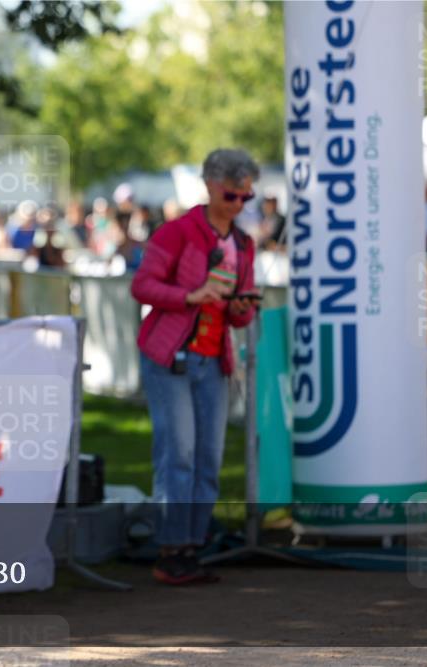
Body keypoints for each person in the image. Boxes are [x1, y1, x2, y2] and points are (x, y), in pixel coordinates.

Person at [129, 148, 260, 585]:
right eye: (232, 194)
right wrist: (190, 296)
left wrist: (242, 308)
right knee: (178, 454)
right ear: (209, 185)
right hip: (170, 357)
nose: (239, 203)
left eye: (246, 196)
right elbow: (142, 286)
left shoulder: (243, 243)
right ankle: (170, 550)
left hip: (214, 359)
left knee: (208, 458)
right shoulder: (178, 232)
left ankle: (191, 547)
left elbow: (240, 315)